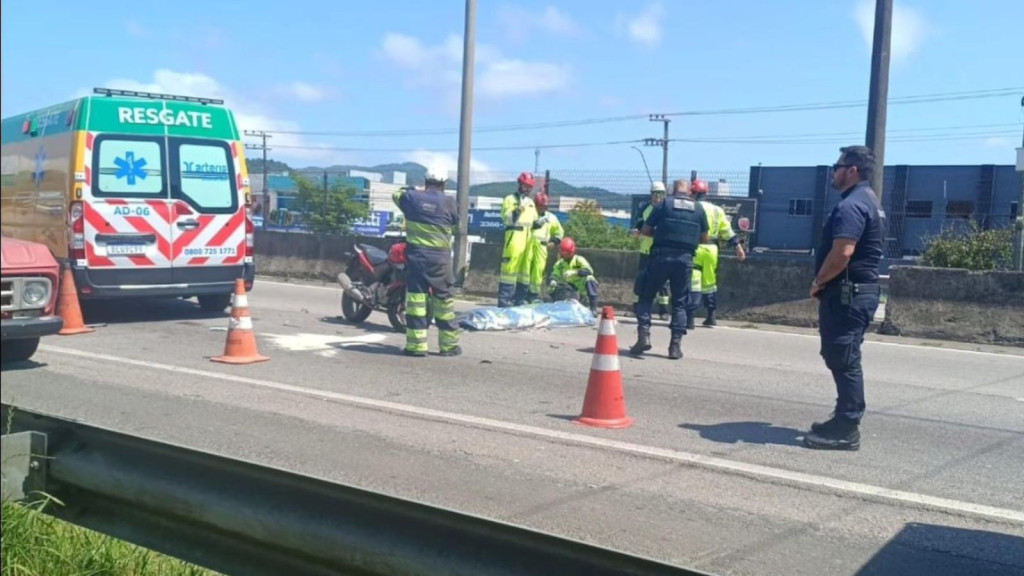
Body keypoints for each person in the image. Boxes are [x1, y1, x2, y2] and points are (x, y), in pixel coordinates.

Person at [804, 145, 885, 451]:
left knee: (844, 358)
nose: (833, 172)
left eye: (837, 166)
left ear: (852, 171)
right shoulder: (870, 200)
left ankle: (847, 427)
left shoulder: (851, 205)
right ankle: (842, 417)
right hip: (856, 294)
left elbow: (843, 252)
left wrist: (819, 281)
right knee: (842, 356)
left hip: (848, 295)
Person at [631, 179, 709, 360]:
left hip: (661, 257)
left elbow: (646, 229)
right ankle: (675, 346)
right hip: (685, 260)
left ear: (673, 190)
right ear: (689, 192)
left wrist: (658, 233)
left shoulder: (665, 204)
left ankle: (644, 335)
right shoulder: (698, 209)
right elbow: (704, 238)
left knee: (645, 294)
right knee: (680, 302)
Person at [392, 165, 461, 357]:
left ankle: (416, 346)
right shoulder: (449, 202)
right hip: (441, 260)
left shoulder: (412, 198)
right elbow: (457, 223)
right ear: (444, 183)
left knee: (416, 302)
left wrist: (413, 189)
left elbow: (396, 195)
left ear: (425, 181)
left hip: (417, 259)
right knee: (445, 303)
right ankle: (449, 346)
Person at [690, 179, 747, 327]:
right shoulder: (717, 210)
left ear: (693, 193)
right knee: (710, 283)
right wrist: (738, 246)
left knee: (693, 282)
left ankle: (689, 317)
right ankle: (711, 316)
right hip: (712, 249)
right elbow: (727, 232)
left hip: (694, 247)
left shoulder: (692, 207)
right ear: (705, 193)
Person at [498, 172, 538, 307]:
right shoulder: (510, 199)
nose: (527, 189)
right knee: (509, 270)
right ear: (520, 184)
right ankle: (504, 301)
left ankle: (519, 300)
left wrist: (540, 223)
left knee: (524, 273)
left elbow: (534, 222)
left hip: (527, 241)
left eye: (530, 187)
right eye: (526, 186)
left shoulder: (531, 203)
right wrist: (518, 209)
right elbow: (507, 219)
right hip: (514, 239)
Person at [631, 181, 671, 320]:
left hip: (660, 251)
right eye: (655, 194)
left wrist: (651, 233)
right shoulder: (644, 209)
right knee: (641, 278)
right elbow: (639, 225)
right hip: (645, 250)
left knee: (663, 282)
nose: (657, 197)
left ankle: (663, 310)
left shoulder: (666, 210)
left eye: (660, 194)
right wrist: (636, 231)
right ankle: (636, 306)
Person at [527, 191, 564, 303]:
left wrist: (554, 242)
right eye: (539, 206)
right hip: (527, 245)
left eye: (543, 206)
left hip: (542, 247)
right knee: (524, 270)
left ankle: (533, 294)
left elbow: (559, 232)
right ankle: (522, 292)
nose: (541, 209)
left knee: (538, 271)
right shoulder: (529, 215)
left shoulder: (551, 218)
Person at [548, 237, 599, 315]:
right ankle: (560, 306)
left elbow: (589, 271)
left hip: (580, 288)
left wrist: (575, 272)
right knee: (554, 287)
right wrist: (553, 280)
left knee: (590, 279)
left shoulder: (578, 260)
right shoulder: (559, 264)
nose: (565, 255)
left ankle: (593, 308)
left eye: (566, 253)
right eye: (563, 253)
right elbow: (555, 274)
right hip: (567, 289)